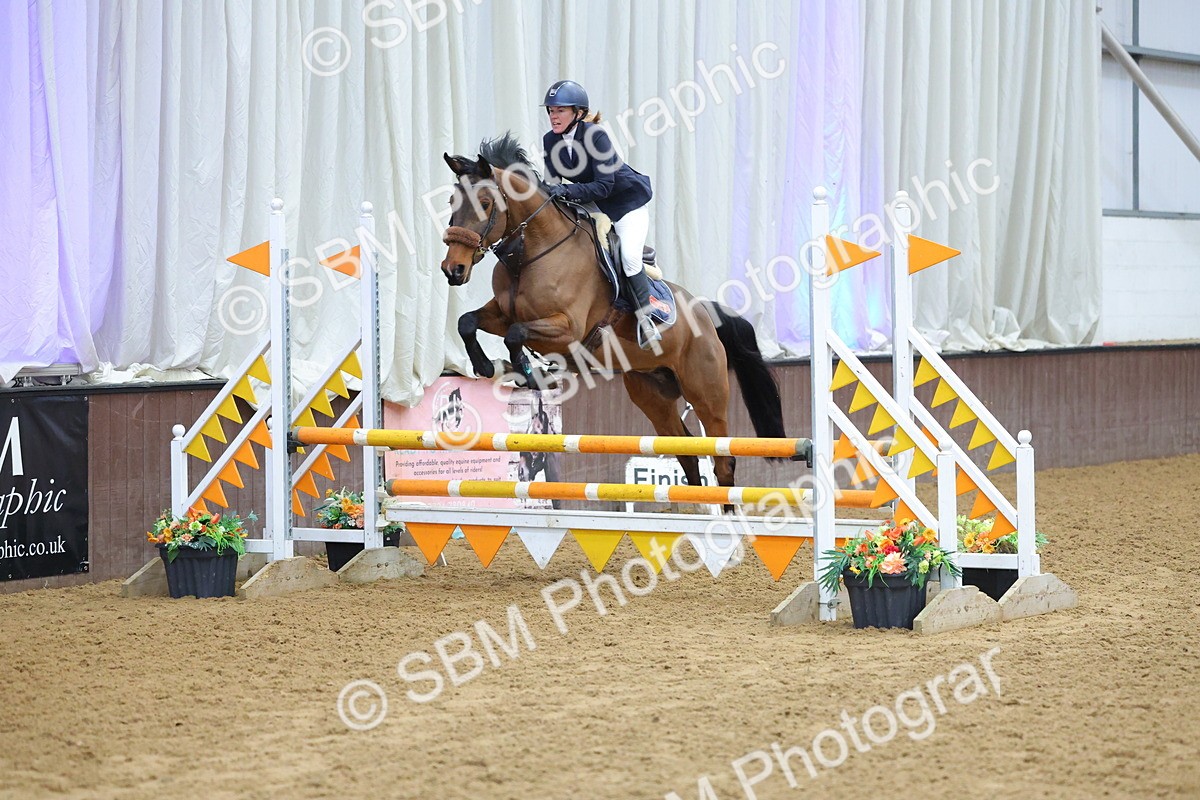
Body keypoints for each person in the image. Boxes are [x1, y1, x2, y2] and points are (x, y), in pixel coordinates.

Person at [540, 80, 661, 348]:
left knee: (629, 258)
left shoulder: (596, 136)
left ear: (578, 113)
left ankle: (646, 320)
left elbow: (605, 186)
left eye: (560, 110)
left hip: (624, 203)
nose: (553, 116)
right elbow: (552, 182)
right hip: (593, 203)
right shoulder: (550, 140)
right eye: (550, 111)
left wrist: (566, 192)